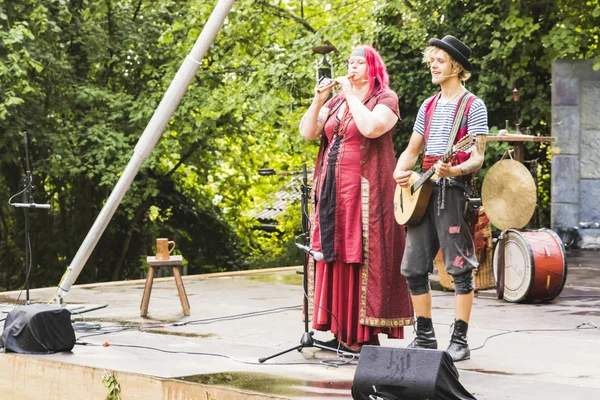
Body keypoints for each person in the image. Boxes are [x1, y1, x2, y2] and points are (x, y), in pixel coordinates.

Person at [299, 45, 414, 352]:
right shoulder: (336, 101)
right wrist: (318, 100)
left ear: (373, 68)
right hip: (333, 188)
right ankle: (337, 328)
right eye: (349, 63)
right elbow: (308, 132)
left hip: (366, 192)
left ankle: (360, 335)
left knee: (361, 254)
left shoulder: (385, 99)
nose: (351, 67)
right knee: (333, 252)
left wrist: (350, 94)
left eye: (359, 63)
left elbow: (371, 128)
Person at [393, 35, 488, 362]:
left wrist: (455, 172)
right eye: (431, 60)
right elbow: (412, 150)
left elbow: (477, 156)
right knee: (412, 268)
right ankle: (425, 337)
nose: (432, 65)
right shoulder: (428, 105)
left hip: (452, 189)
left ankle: (459, 340)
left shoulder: (473, 106)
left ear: (457, 66)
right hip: (422, 190)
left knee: (459, 267)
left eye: (440, 60)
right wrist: (399, 172)